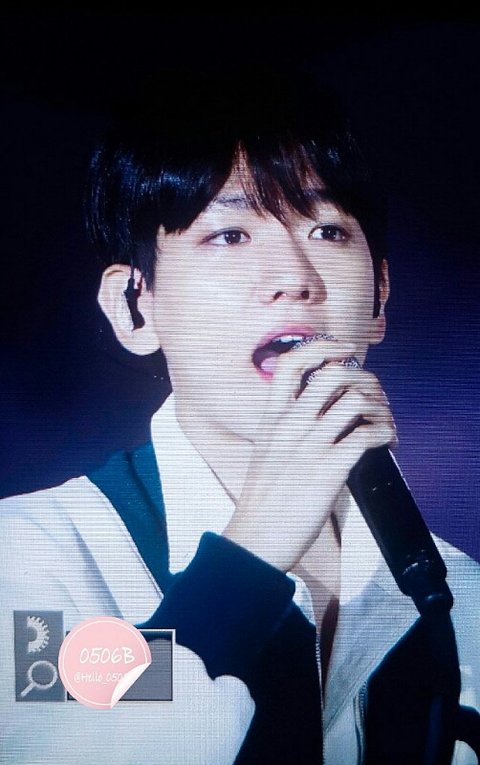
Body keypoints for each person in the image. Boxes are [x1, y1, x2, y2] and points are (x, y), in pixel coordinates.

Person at [0, 64, 478, 765]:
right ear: (134, 307)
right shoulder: (29, 555)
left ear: (379, 296)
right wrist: (255, 548)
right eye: (229, 235)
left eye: (328, 231)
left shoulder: (458, 591)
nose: (295, 278)